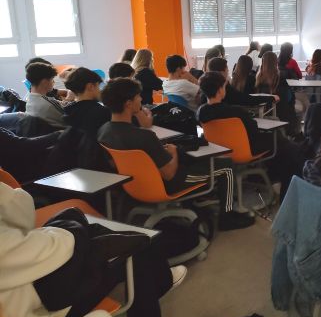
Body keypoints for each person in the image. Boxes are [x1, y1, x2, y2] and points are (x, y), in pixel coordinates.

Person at [0, 181, 184, 317]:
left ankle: (161, 277)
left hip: (32, 288)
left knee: (105, 234)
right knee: (139, 251)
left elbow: (24, 225)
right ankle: (162, 282)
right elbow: (58, 245)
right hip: (44, 308)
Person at [97, 78, 253, 230]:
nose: (140, 99)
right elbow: (170, 173)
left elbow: (114, 163)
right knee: (226, 166)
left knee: (196, 160)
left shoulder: (104, 131)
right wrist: (173, 152)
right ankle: (227, 217)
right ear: (128, 104)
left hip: (136, 185)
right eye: (137, 96)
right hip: (169, 184)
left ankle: (196, 205)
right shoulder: (145, 137)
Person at [197, 72, 304, 200]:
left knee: (281, 144)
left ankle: (273, 179)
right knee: (287, 146)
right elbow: (253, 130)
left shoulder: (200, 113)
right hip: (246, 149)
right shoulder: (236, 112)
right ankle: (285, 190)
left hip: (220, 151)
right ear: (220, 90)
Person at [204, 57, 277, 107]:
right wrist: (270, 98)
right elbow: (246, 99)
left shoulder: (204, 93)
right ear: (222, 72)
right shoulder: (225, 88)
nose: (228, 71)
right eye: (227, 69)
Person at [256, 52, 298, 136]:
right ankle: (295, 133)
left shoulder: (258, 77)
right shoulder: (282, 77)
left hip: (264, 110)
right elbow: (289, 97)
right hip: (281, 111)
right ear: (276, 62)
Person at [63, 67, 111, 135]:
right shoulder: (103, 112)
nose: (100, 90)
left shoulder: (68, 110)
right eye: (98, 86)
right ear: (90, 86)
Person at [25, 63, 66, 129]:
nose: (53, 82)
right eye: (52, 79)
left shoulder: (29, 98)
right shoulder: (49, 104)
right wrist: (69, 99)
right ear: (44, 82)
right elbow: (69, 117)